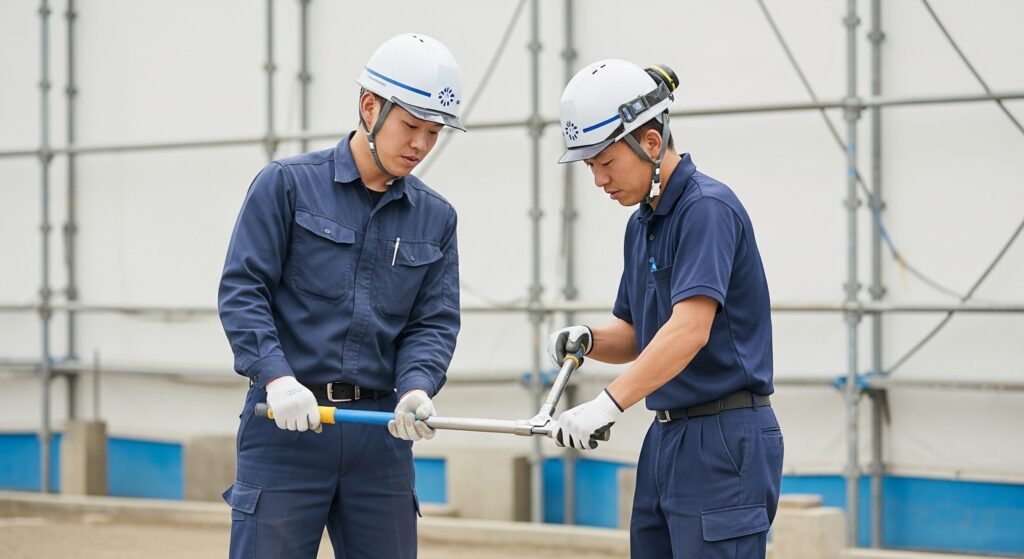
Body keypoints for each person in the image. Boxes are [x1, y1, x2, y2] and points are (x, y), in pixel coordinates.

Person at [217, 33, 463, 559]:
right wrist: (277, 379)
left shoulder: (436, 217)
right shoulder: (285, 186)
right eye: (411, 126)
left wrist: (417, 388)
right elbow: (244, 291)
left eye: (434, 132)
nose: (420, 144)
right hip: (285, 425)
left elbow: (433, 322)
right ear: (369, 106)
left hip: (380, 434)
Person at [547, 59, 783, 558]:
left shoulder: (707, 210)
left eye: (605, 162)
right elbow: (637, 333)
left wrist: (607, 404)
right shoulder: (643, 223)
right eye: (590, 166)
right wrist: (587, 339)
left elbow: (689, 330)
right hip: (668, 435)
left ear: (651, 143)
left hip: (723, 437)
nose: (598, 180)